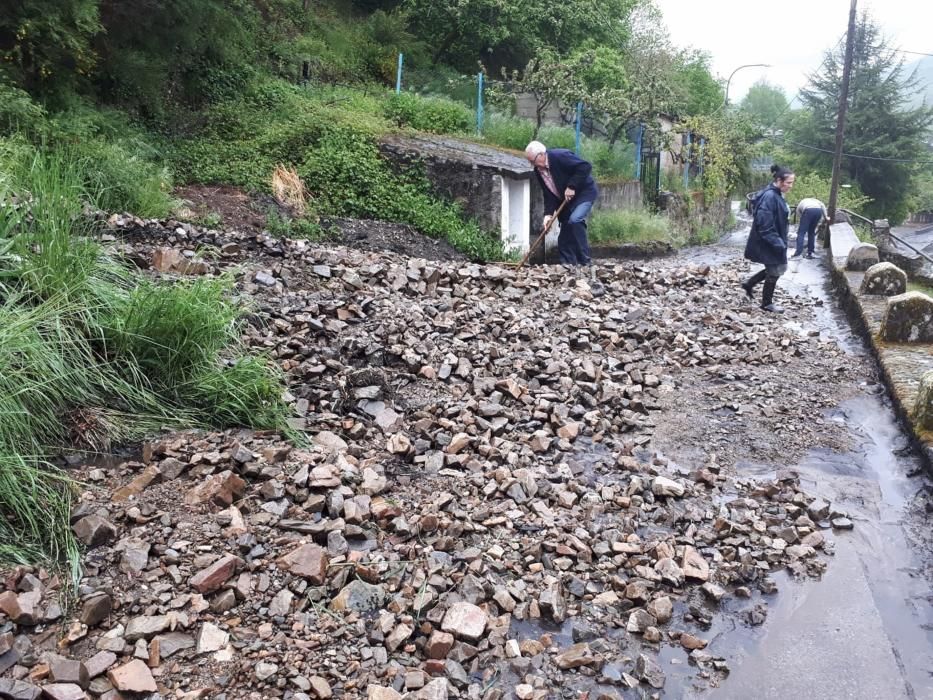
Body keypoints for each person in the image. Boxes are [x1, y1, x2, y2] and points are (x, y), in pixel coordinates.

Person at [524, 140, 598, 272]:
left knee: (575, 220)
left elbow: (585, 167)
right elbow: (548, 194)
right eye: (530, 162)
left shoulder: (560, 156)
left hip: (583, 194)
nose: (532, 165)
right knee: (565, 232)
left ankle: (586, 262)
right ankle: (568, 266)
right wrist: (548, 215)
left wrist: (571, 186)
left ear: (541, 154)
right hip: (565, 200)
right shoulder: (538, 170)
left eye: (532, 160)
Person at [741, 164, 795, 313]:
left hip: (773, 239)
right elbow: (764, 223)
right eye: (789, 182)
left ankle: (749, 284)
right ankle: (766, 303)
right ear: (779, 180)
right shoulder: (770, 196)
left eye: (792, 182)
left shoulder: (775, 194)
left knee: (774, 268)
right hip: (770, 240)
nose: (791, 186)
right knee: (776, 269)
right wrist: (778, 242)